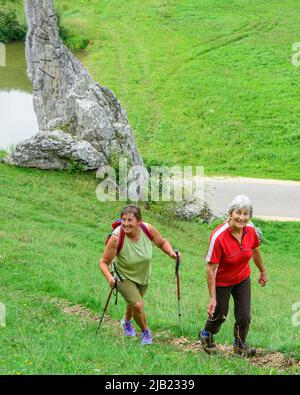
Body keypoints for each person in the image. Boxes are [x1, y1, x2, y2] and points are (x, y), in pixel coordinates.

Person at [99, 204, 180, 345]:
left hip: (142, 274)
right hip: (122, 275)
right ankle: (145, 332)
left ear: (139, 222)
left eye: (130, 220)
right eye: (123, 219)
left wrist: (171, 253)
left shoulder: (147, 229)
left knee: (133, 303)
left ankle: (126, 322)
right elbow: (103, 262)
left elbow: (161, 242)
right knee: (137, 305)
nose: (125, 223)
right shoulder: (116, 238)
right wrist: (110, 278)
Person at [198, 195, 267, 357]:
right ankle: (206, 334)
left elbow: (255, 250)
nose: (242, 218)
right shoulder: (219, 237)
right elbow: (210, 269)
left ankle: (240, 345)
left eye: (246, 213)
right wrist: (212, 298)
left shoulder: (251, 231)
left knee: (244, 315)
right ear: (230, 213)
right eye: (238, 213)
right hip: (222, 281)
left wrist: (262, 271)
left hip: (242, 278)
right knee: (220, 314)